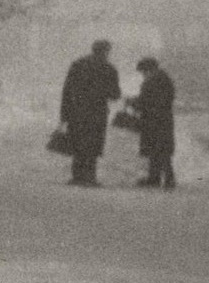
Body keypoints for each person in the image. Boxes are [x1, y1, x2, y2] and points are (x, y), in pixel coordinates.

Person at [58, 38, 124, 186]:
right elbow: (115, 94)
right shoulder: (109, 69)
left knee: (78, 142)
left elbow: (67, 91)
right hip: (97, 112)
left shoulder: (77, 65)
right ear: (106, 51)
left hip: (77, 111)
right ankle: (90, 176)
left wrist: (64, 115)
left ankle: (77, 176)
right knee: (93, 144)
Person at [132, 56, 177, 190]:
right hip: (162, 119)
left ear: (148, 69)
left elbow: (147, 100)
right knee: (158, 150)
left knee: (159, 150)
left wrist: (135, 103)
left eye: (143, 71)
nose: (142, 74)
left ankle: (168, 178)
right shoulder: (164, 78)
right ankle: (155, 178)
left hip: (155, 120)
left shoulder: (153, 80)